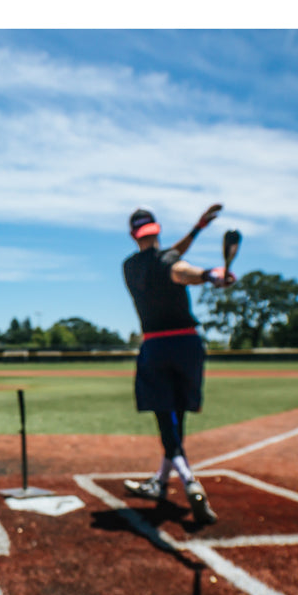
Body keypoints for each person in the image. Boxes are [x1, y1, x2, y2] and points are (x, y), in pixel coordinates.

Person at [121, 204, 235, 525]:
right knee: (177, 418)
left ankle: (188, 481)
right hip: (188, 344)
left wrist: (198, 229)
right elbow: (180, 270)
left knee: (165, 418)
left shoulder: (130, 266)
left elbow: (174, 259)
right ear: (156, 230)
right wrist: (210, 275)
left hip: (156, 346)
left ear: (134, 235)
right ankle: (161, 480)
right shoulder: (168, 260)